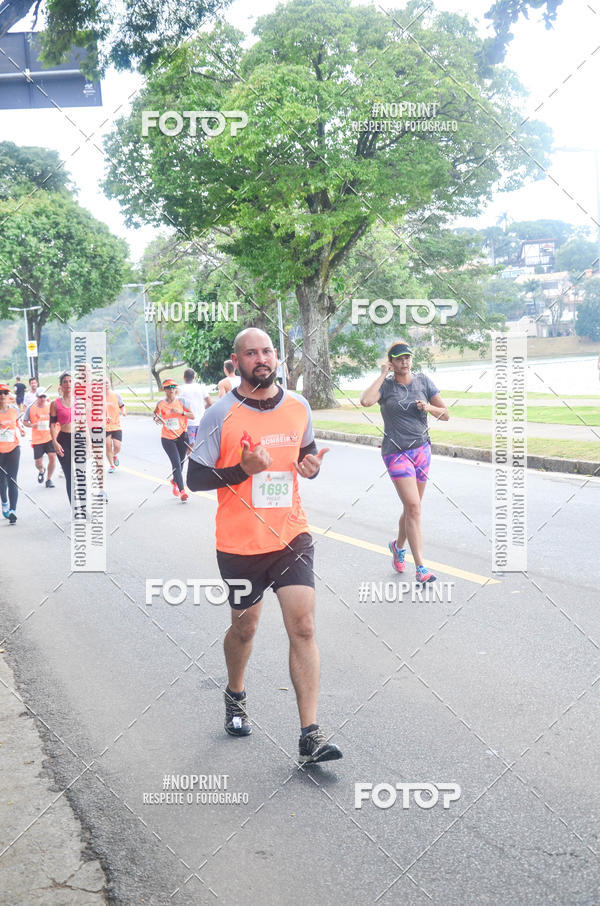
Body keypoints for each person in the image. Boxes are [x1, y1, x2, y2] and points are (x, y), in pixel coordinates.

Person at [187, 327, 342, 766]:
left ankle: (309, 735)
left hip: (290, 534)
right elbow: (193, 478)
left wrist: (310, 469)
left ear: (276, 357)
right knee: (245, 628)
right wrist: (240, 469)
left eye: (267, 350)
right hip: (239, 544)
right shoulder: (220, 414)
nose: (261, 358)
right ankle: (235, 694)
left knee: (304, 626)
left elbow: (305, 456)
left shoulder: (299, 406)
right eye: (251, 353)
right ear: (236, 363)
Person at [360, 340, 449, 585]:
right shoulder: (386, 386)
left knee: (413, 507)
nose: (405, 362)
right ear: (391, 362)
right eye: (399, 358)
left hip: (422, 451)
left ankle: (398, 546)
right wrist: (382, 374)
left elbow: (446, 414)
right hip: (395, 453)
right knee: (413, 507)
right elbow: (366, 401)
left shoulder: (423, 382)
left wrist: (428, 406)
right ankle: (421, 568)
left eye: (407, 357)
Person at [153, 379, 194, 502]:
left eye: (173, 387)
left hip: (182, 436)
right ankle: (182, 491)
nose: (171, 390)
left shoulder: (182, 401)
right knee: (176, 463)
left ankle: (175, 480)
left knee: (181, 463)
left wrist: (181, 412)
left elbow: (192, 415)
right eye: (169, 388)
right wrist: (157, 419)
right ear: (164, 390)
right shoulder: (160, 403)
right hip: (167, 438)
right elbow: (155, 415)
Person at [0, 382, 25, 523]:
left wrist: (21, 430)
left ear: (8, 395)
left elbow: (16, 423)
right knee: (2, 481)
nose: (2, 395)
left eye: (5, 393)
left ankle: (13, 511)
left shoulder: (14, 409)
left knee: (12, 480)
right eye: (0, 393)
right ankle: (4, 503)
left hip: (13, 449)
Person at [23, 387, 56, 487]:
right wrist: (31, 425)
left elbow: (56, 420)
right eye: (41, 397)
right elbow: (24, 422)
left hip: (49, 437)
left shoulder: (51, 406)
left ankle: (49, 479)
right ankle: (42, 470)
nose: (42, 399)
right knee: (38, 462)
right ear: (37, 397)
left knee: (52, 458)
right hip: (37, 439)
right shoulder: (31, 408)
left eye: (44, 397)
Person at [50, 372, 73, 502]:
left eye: (70, 381)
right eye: (65, 381)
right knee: (70, 476)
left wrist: (88, 444)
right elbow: (52, 425)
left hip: (78, 439)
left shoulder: (79, 402)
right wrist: (55, 443)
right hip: (63, 440)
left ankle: (83, 506)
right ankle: (75, 509)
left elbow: (84, 424)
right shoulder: (55, 403)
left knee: (81, 475)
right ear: (61, 385)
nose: (68, 384)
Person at [180, 368, 212, 450]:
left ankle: (190, 462)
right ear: (194, 377)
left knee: (189, 446)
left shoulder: (181, 389)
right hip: (201, 421)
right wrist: (202, 409)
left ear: (184, 377)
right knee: (200, 445)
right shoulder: (201, 388)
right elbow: (210, 402)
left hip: (188, 423)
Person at [105, 379, 126, 473]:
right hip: (104, 426)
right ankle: (111, 465)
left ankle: (113, 455)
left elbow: (122, 405)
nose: (105, 384)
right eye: (103, 383)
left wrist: (123, 412)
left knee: (117, 446)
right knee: (108, 445)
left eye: (107, 382)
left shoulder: (116, 395)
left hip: (116, 425)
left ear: (109, 384)